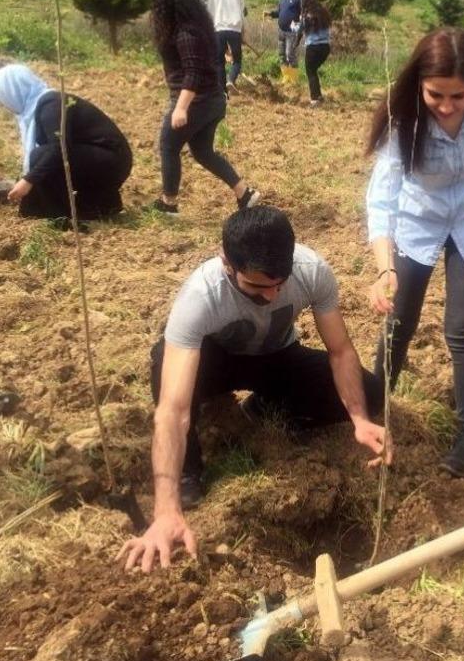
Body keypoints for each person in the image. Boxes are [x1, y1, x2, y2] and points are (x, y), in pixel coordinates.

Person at [118, 206, 391, 572]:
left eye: (280, 283)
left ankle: (262, 408)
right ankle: (188, 469)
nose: (273, 296)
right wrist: (165, 510)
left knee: (371, 391)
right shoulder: (201, 295)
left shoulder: (312, 271)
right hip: (215, 362)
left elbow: (340, 351)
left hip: (278, 356)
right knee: (161, 360)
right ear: (226, 263)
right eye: (258, 287)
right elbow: (173, 409)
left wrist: (358, 418)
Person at [365, 27, 464, 478]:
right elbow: (382, 198)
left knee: (461, 331)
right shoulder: (402, 116)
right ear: (419, 85)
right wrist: (384, 267)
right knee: (399, 322)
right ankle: (372, 417)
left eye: (458, 96)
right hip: (418, 220)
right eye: (436, 95)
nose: (447, 106)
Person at [150, 0, 259, 215]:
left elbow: (193, 73)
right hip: (212, 101)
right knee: (202, 151)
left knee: (168, 145)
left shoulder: (185, 32)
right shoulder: (194, 27)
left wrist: (181, 108)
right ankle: (244, 193)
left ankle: (169, 204)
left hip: (198, 101)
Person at [0, 64, 132, 220]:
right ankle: (94, 208)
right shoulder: (37, 107)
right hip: (97, 158)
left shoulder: (50, 106)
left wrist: (28, 181)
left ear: (13, 92)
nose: (6, 106)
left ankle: (58, 214)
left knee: (41, 156)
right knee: (42, 159)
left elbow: (59, 148)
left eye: (4, 99)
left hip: (111, 160)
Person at [198, 0, 247, 92]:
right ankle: (231, 79)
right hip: (234, 29)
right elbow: (242, 13)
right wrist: (243, 31)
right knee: (237, 60)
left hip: (217, 29)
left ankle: (222, 91)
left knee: (219, 61)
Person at [264, 0, 302, 72]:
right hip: (281, 30)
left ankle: (293, 79)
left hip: (292, 32)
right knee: (282, 55)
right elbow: (280, 12)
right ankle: (285, 77)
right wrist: (271, 14)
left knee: (290, 54)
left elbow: (303, 16)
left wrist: (298, 31)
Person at [300, 0, 332, 105]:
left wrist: (294, 26)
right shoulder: (323, 13)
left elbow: (300, 29)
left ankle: (314, 99)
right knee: (313, 71)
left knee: (310, 72)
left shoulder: (308, 15)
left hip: (313, 48)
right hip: (325, 47)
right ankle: (319, 96)